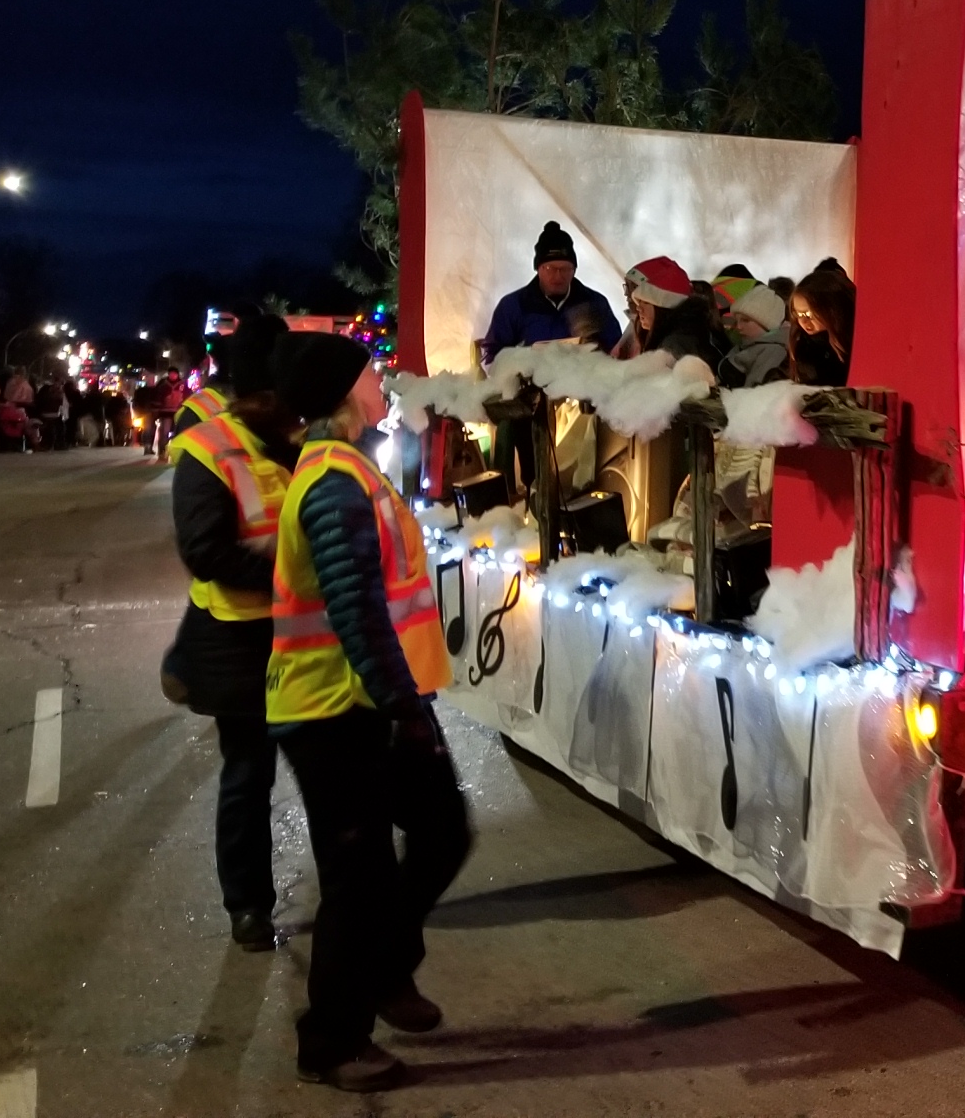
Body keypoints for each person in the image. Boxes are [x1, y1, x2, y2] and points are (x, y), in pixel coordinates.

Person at [267, 332, 471, 1092]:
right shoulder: (329, 481)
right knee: (358, 879)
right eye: (370, 371)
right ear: (343, 390)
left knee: (442, 833)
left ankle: (386, 971)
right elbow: (352, 605)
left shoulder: (355, 468)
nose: (381, 379)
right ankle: (330, 1040)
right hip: (334, 710)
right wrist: (399, 704)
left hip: (376, 701)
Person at [159, 314, 294, 952]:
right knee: (249, 775)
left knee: (332, 775)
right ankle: (248, 905)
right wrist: (294, 576)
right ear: (247, 394)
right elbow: (205, 550)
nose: (280, 406)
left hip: (308, 638)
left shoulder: (301, 439)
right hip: (241, 640)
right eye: (269, 395)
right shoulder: (207, 448)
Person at [481, 222, 622, 361]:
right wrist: (519, 364)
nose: (558, 276)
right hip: (530, 382)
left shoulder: (594, 304)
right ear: (538, 269)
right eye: (550, 268)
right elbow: (491, 357)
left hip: (582, 382)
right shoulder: (513, 306)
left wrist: (595, 348)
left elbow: (617, 352)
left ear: (574, 271)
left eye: (565, 269)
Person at [613, 256, 722, 365]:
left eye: (645, 302)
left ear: (661, 306)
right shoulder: (674, 336)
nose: (627, 294)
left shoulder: (676, 346)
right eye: (626, 287)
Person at [787, 258, 855, 385]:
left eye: (809, 314)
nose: (803, 321)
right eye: (798, 314)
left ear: (832, 309)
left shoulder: (851, 343)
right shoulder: (800, 343)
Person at [720, 283, 791, 388]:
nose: (738, 326)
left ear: (767, 323)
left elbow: (754, 391)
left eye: (745, 320)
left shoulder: (772, 351)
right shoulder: (748, 344)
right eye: (736, 321)